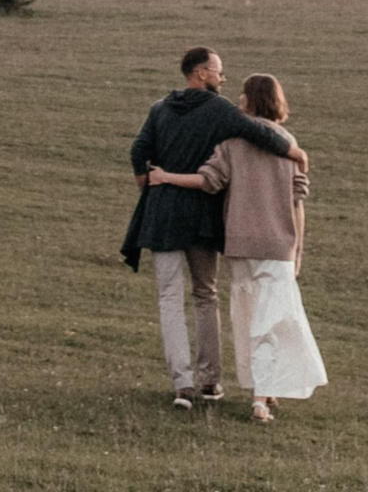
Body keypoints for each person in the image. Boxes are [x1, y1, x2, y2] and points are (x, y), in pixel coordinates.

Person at [124, 46, 307, 410]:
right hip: (201, 217)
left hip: (161, 214)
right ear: (202, 73)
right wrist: (295, 153)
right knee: (205, 296)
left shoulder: (160, 108)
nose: (223, 79)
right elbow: (260, 134)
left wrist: (146, 179)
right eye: (219, 72)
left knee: (169, 299)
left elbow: (138, 148)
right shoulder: (220, 110)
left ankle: (182, 385)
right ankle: (210, 381)